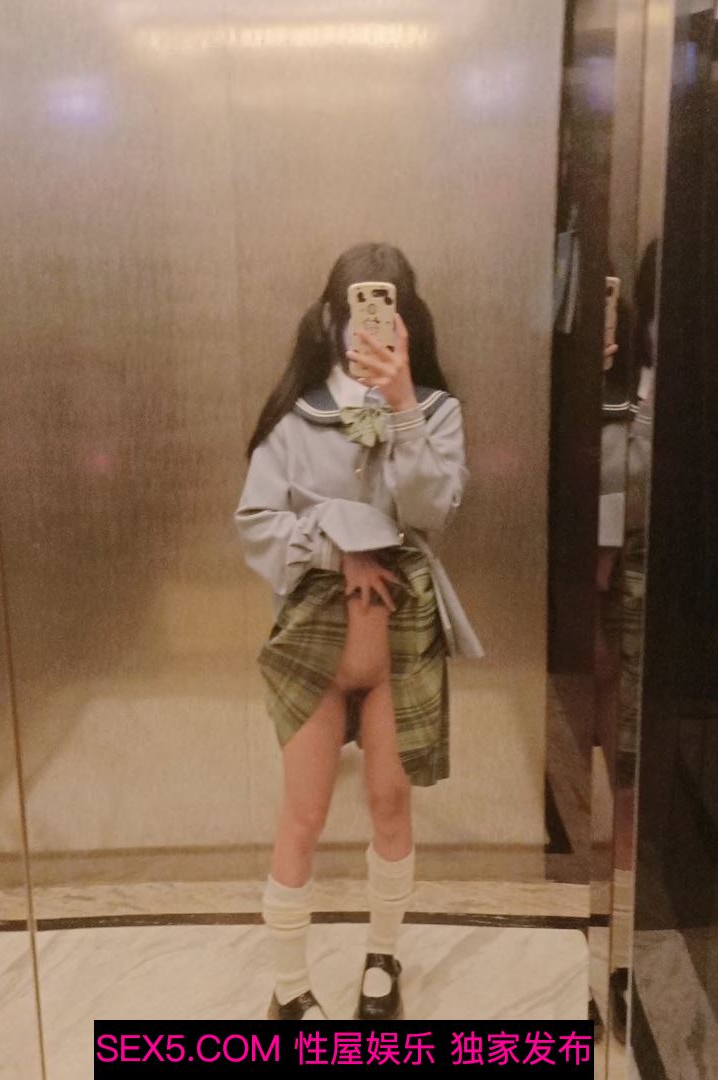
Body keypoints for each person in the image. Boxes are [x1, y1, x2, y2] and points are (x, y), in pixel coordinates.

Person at [233, 242, 484, 1021]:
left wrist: (403, 402)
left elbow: (432, 510)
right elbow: (255, 523)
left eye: (386, 309)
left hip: (398, 649)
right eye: (356, 310)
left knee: (390, 806)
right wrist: (337, 543)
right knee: (303, 814)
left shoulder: (436, 413)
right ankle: (287, 988)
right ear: (329, 318)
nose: (368, 325)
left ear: (408, 322)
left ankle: (382, 957)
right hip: (315, 646)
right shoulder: (296, 417)